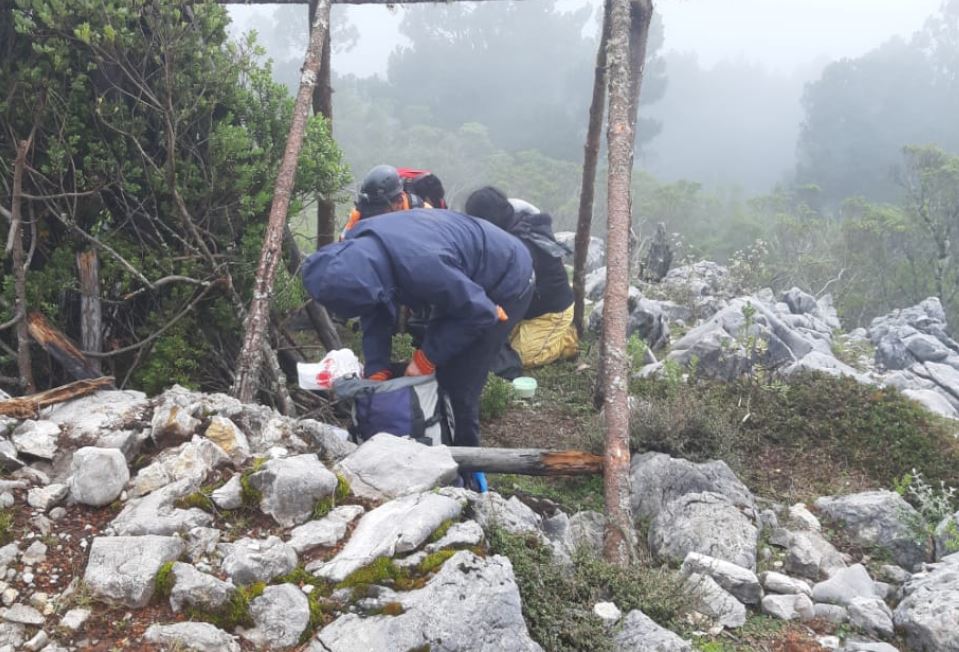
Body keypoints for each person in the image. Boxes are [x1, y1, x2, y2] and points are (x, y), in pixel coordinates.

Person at [302, 209, 534, 487]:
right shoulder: (357, 249)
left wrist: (426, 359)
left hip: (505, 279)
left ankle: (470, 476)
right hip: (458, 274)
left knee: (459, 383)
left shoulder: (424, 267)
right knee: (437, 364)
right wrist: (377, 369)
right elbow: (376, 309)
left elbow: (481, 313)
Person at [465, 186, 578, 375]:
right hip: (526, 309)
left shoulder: (521, 245)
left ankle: (566, 340)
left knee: (520, 357)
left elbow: (506, 290)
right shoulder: (511, 227)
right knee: (491, 344)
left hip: (549, 312)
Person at [340, 164, 427, 236]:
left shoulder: (423, 214)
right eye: (371, 207)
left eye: (380, 209)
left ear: (399, 202)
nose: (374, 216)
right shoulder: (360, 214)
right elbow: (344, 244)